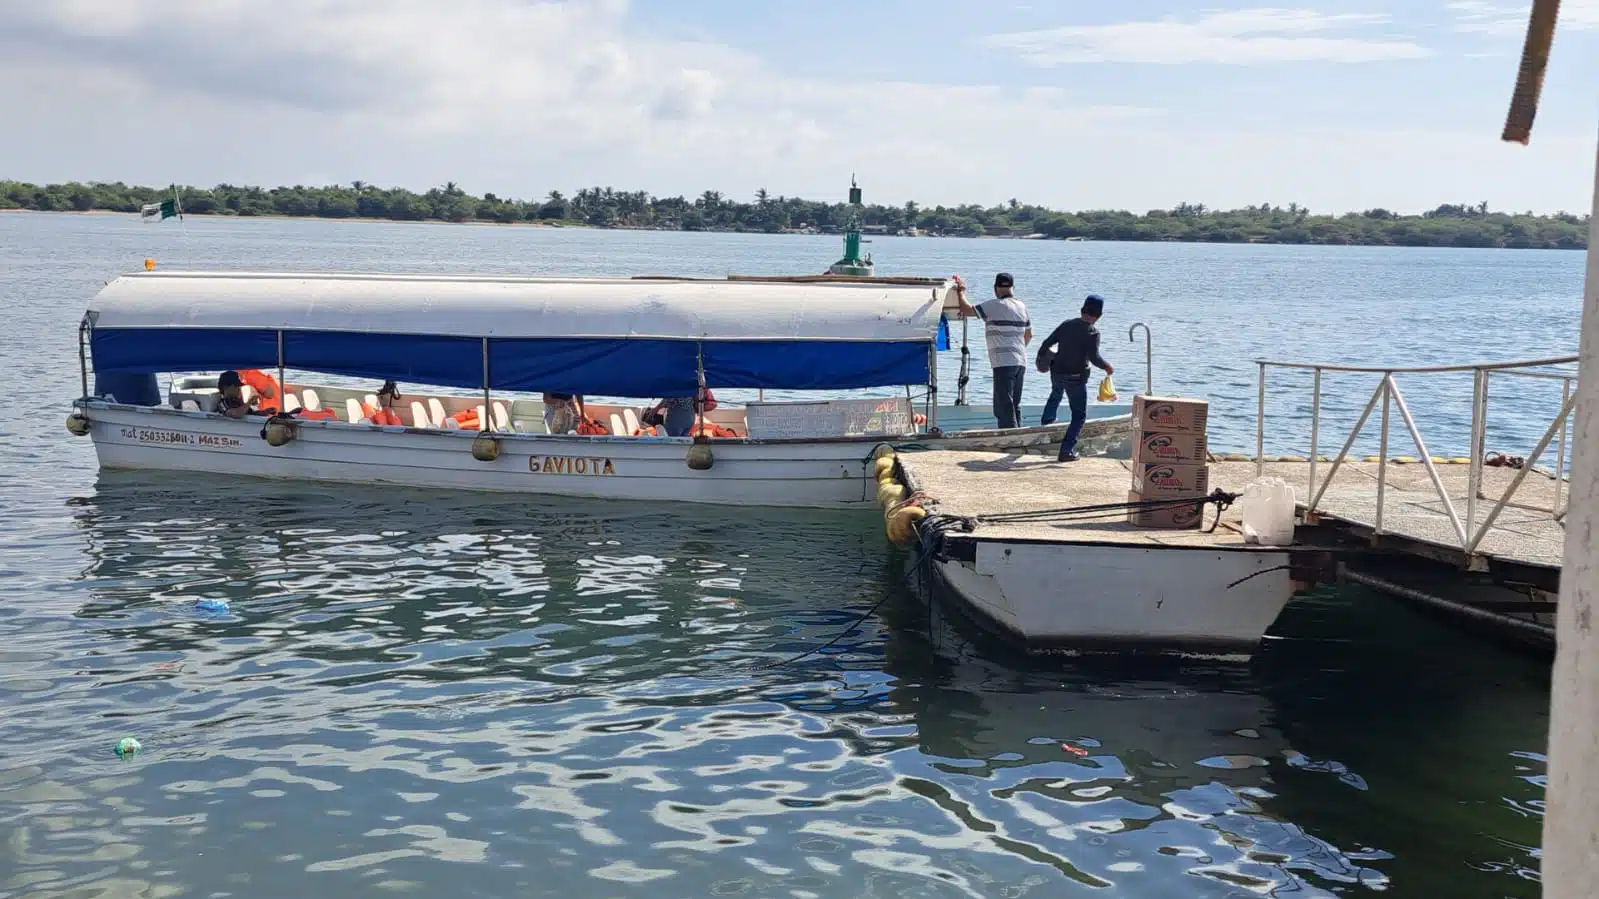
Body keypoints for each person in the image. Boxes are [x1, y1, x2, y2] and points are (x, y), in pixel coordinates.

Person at [1036, 294, 1114, 462]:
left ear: (1081, 310)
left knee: (1056, 393)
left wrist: (1042, 359)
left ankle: (1047, 422)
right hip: (1076, 377)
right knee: (1079, 415)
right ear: (1099, 316)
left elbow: (1046, 343)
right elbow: (1094, 358)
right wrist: (1107, 367)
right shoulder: (1092, 332)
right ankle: (1066, 450)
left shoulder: (1066, 325)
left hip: (1056, 372)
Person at [954, 272, 1031, 429]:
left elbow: (967, 310)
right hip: (1021, 361)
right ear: (1012, 288)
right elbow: (1029, 335)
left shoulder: (995, 305)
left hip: (1003, 362)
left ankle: (1009, 438)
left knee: (1003, 406)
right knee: (1014, 404)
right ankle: (1018, 434)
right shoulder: (1022, 307)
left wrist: (961, 291)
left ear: (996, 289)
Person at [647, 386, 717, 437]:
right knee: (684, 437)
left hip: (677, 417)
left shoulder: (677, 384)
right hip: (690, 416)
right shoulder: (693, 384)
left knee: (671, 439)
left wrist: (656, 409)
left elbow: (669, 399)